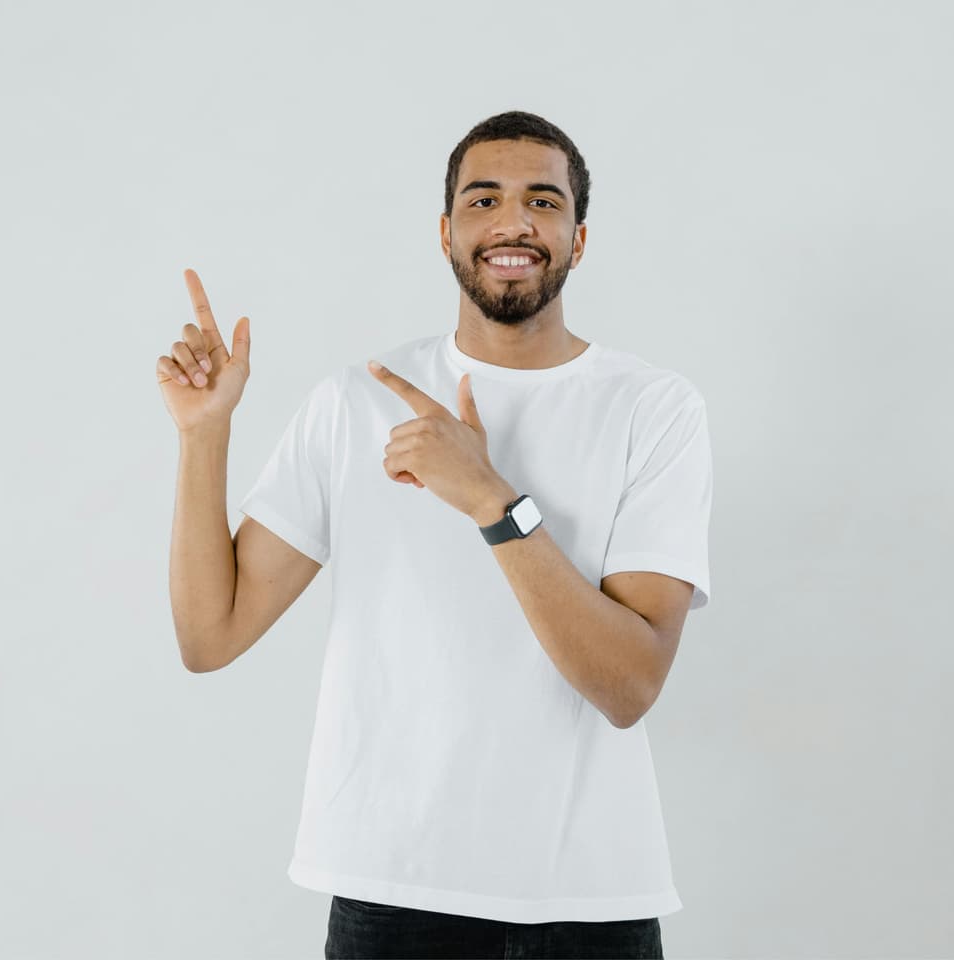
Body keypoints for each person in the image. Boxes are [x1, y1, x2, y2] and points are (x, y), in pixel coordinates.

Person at [160, 110, 711, 960]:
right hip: (392, 890)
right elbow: (210, 634)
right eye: (484, 198)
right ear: (447, 231)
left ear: (579, 236)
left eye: (543, 201)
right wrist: (205, 435)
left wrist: (491, 496)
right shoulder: (354, 402)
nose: (513, 222)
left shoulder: (653, 408)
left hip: (588, 899)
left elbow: (629, 685)